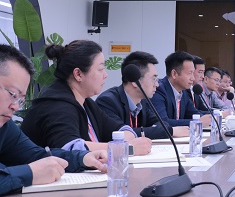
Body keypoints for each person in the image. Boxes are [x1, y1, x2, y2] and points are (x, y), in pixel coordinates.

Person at [0, 44, 107, 196]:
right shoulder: (55, 104)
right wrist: (30, 173)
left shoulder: (5, 127)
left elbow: (36, 155)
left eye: (20, 99)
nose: (15, 106)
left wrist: (82, 158)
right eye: (12, 94)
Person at [22, 40, 151, 155]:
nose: (105, 75)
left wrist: (126, 139)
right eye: (100, 69)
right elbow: (69, 148)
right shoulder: (56, 105)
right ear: (78, 74)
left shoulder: (86, 103)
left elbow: (119, 129)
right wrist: (125, 148)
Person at [96, 51, 189, 140]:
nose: (157, 85)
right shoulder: (107, 102)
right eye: (153, 79)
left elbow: (162, 124)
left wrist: (158, 130)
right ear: (134, 81)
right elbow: (121, 135)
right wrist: (171, 131)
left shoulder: (142, 102)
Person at [150, 51, 211, 127]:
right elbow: (163, 122)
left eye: (193, 73)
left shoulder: (183, 92)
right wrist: (197, 122)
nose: (193, 78)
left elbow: (193, 113)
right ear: (174, 74)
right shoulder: (159, 90)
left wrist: (209, 118)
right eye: (189, 73)